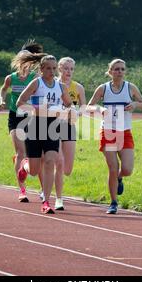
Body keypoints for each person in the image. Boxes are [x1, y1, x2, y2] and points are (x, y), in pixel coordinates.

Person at [87, 59, 142, 214]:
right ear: (110, 71)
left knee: (127, 169)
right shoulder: (103, 88)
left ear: (125, 71)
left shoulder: (130, 87)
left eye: (122, 69)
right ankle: (113, 202)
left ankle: (119, 178)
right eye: (116, 69)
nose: (119, 72)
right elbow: (88, 106)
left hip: (125, 132)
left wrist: (134, 105)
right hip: (108, 131)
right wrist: (100, 109)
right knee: (112, 168)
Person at [16, 55, 73, 214]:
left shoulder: (61, 87)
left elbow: (69, 104)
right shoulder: (36, 83)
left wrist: (69, 112)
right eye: (48, 68)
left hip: (53, 128)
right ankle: (24, 165)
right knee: (34, 171)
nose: (52, 71)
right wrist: (35, 109)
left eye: (54, 68)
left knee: (50, 161)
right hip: (35, 126)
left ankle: (47, 202)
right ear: (41, 69)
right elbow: (19, 103)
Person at [0, 40, 44, 203]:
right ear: (18, 62)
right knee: (21, 153)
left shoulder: (35, 78)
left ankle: (43, 190)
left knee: (38, 155)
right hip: (15, 117)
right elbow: (3, 90)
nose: (26, 65)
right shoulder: (11, 78)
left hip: (32, 118)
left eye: (29, 62)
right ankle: (22, 190)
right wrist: (2, 100)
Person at [52, 57, 86, 211]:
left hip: (69, 126)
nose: (69, 72)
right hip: (51, 126)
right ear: (59, 69)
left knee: (67, 169)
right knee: (59, 162)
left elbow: (83, 108)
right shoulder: (51, 84)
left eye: (71, 69)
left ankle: (43, 175)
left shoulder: (78, 88)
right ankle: (58, 198)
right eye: (66, 68)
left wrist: (77, 112)